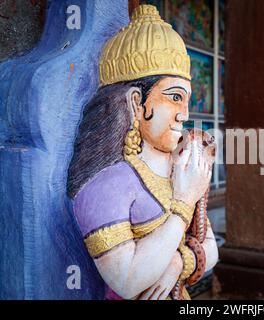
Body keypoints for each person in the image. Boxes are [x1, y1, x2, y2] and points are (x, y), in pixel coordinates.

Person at [67, 5, 218, 300]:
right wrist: (184, 202)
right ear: (137, 102)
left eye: (186, 101)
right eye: (174, 97)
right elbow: (127, 280)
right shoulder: (105, 186)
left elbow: (210, 248)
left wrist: (178, 262)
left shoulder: (180, 167)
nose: (183, 115)